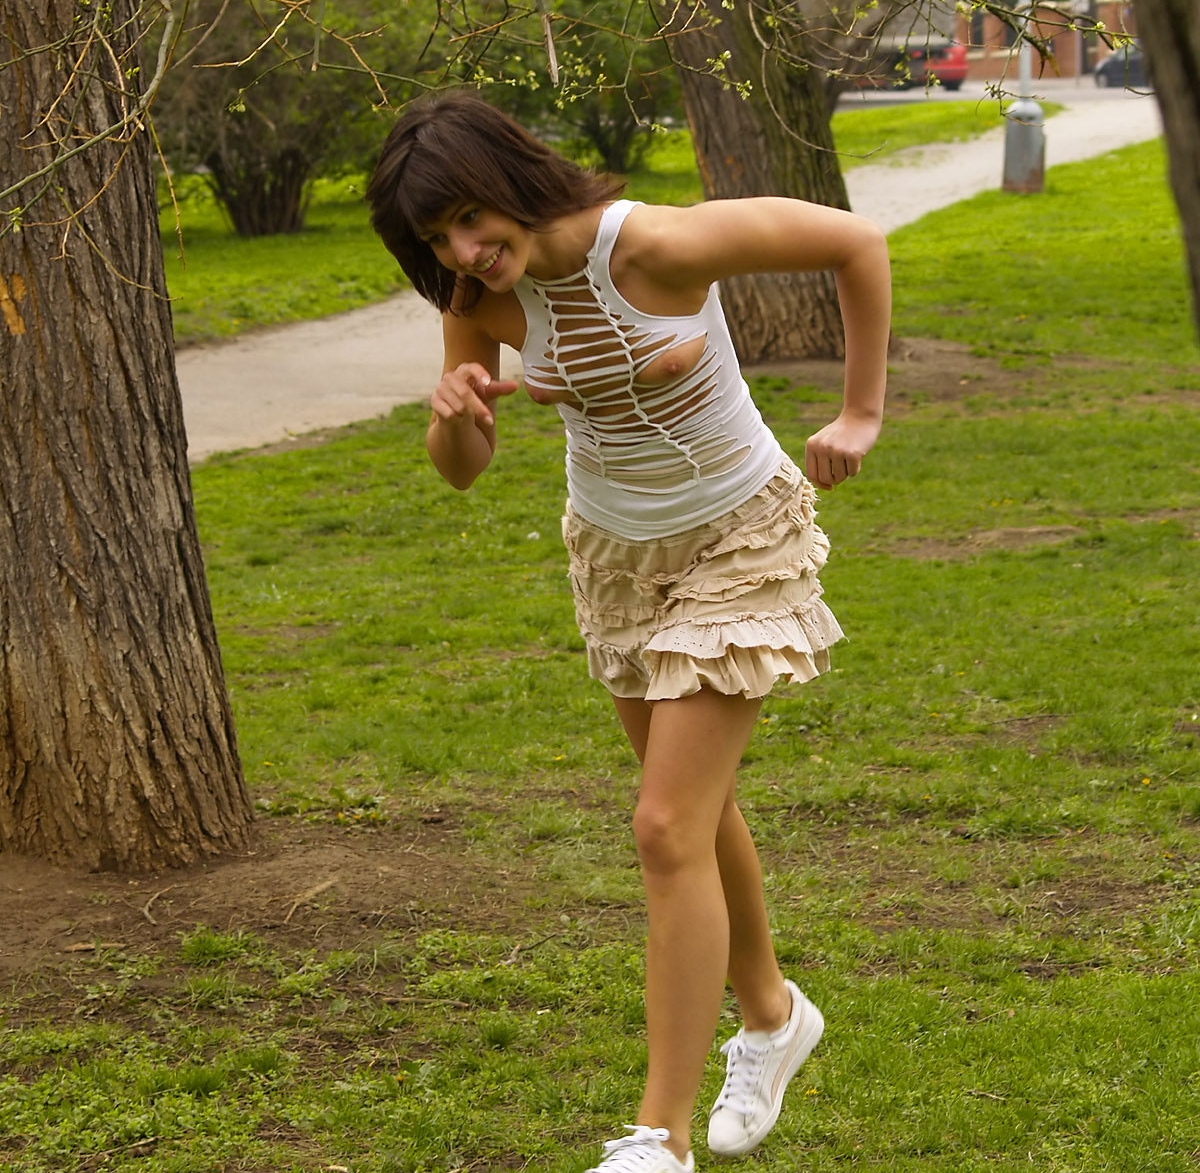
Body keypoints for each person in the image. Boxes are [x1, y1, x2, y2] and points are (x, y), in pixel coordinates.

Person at [366, 91, 891, 1173]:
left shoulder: (653, 245)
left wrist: (860, 412)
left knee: (663, 825)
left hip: (737, 535)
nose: (465, 250)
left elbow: (855, 243)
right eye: (439, 237)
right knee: (692, 810)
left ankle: (660, 1136)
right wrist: (451, 415)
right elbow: (464, 471)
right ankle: (773, 1013)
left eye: (470, 216)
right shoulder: (478, 298)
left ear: (507, 179)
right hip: (616, 556)